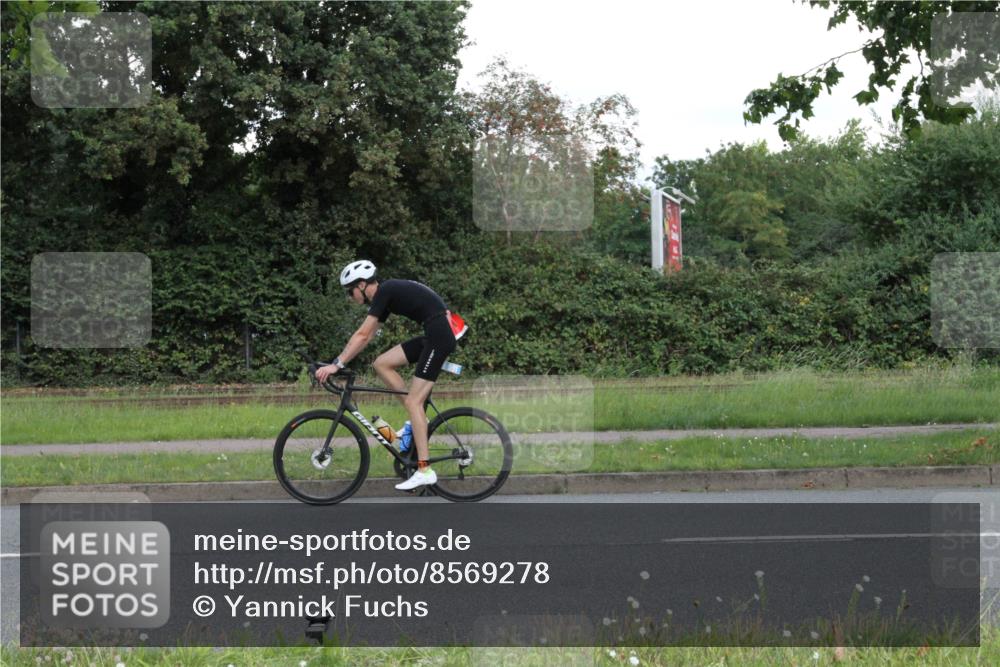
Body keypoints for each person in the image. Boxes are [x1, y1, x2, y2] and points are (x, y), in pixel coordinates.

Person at [315, 260, 460, 490]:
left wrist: (337, 364)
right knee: (381, 363)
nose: (350, 296)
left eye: (350, 291)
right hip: (434, 332)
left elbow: (362, 334)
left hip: (439, 335)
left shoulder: (386, 291)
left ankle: (425, 469)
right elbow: (368, 335)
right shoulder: (385, 297)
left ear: (362, 285)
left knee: (414, 401)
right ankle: (416, 419)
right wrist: (340, 361)